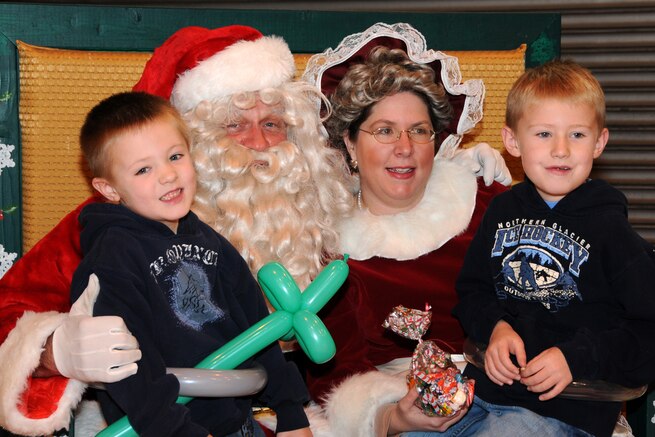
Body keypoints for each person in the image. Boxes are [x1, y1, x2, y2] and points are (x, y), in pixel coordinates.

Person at [0, 24, 510, 436]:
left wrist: (462, 170)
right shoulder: (117, 228)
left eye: (275, 124)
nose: (261, 144)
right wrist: (51, 350)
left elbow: (398, 177)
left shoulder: (319, 202)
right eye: (236, 125)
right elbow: (8, 313)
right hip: (153, 418)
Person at [298, 23, 510, 436]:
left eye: (419, 130)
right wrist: (393, 418)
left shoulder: (485, 205)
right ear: (349, 144)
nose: (405, 147)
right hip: (410, 411)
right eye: (384, 131)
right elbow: (337, 375)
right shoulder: (330, 249)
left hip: (509, 396)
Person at [70, 90, 311, 436]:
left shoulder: (210, 242)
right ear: (109, 189)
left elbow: (257, 329)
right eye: (143, 169)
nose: (168, 175)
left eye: (175, 156)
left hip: (237, 423)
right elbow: (126, 367)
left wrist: (292, 413)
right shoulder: (112, 260)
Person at [452, 60, 655, 437]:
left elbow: (647, 329)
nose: (561, 150)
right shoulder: (501, 210)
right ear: (512, 141)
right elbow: (472, 290)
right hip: (483, 390)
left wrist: (576, 359)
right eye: (544, 134)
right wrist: (496, 327)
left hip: (569, 409)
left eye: (577, 135)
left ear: (599, 143)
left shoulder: (609, 228)